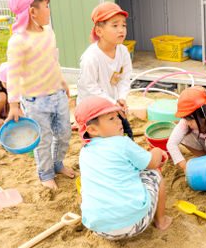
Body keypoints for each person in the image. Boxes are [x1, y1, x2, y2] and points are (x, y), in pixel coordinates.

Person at [6, 0, 74, 190]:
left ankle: (57, 163)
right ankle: (45, 173)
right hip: (35, 101)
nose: (49, 10)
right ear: (32, 12)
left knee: (64, 133)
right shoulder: (18, 41)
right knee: (42, 140)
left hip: (57, 94)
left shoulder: (48, 33)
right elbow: (14, 74)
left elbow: (53, 60)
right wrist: (14, 104)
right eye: (46, 6)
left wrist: (62, 81)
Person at [74, 96, 172, 240]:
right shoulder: (122, 143)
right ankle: (161, 221)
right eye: (111, 118)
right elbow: (152, 163)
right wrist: (157, 152)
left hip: (99, 228)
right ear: (93, 129)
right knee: (153, 173)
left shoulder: (84, 152)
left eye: (117, 116)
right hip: (134, 224)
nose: (119, 120)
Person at [76, 2, 133, 139]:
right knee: (97, 141)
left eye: (123, 25)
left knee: (125, 133)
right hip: (92, 111)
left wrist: (121, 98)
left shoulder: (123, 51)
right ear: (99, 31)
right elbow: (89, 86)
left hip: (112, 106)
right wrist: (112, 103)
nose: (121, 30)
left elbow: (125, 78)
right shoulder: (91, 57)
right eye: (115, 25)